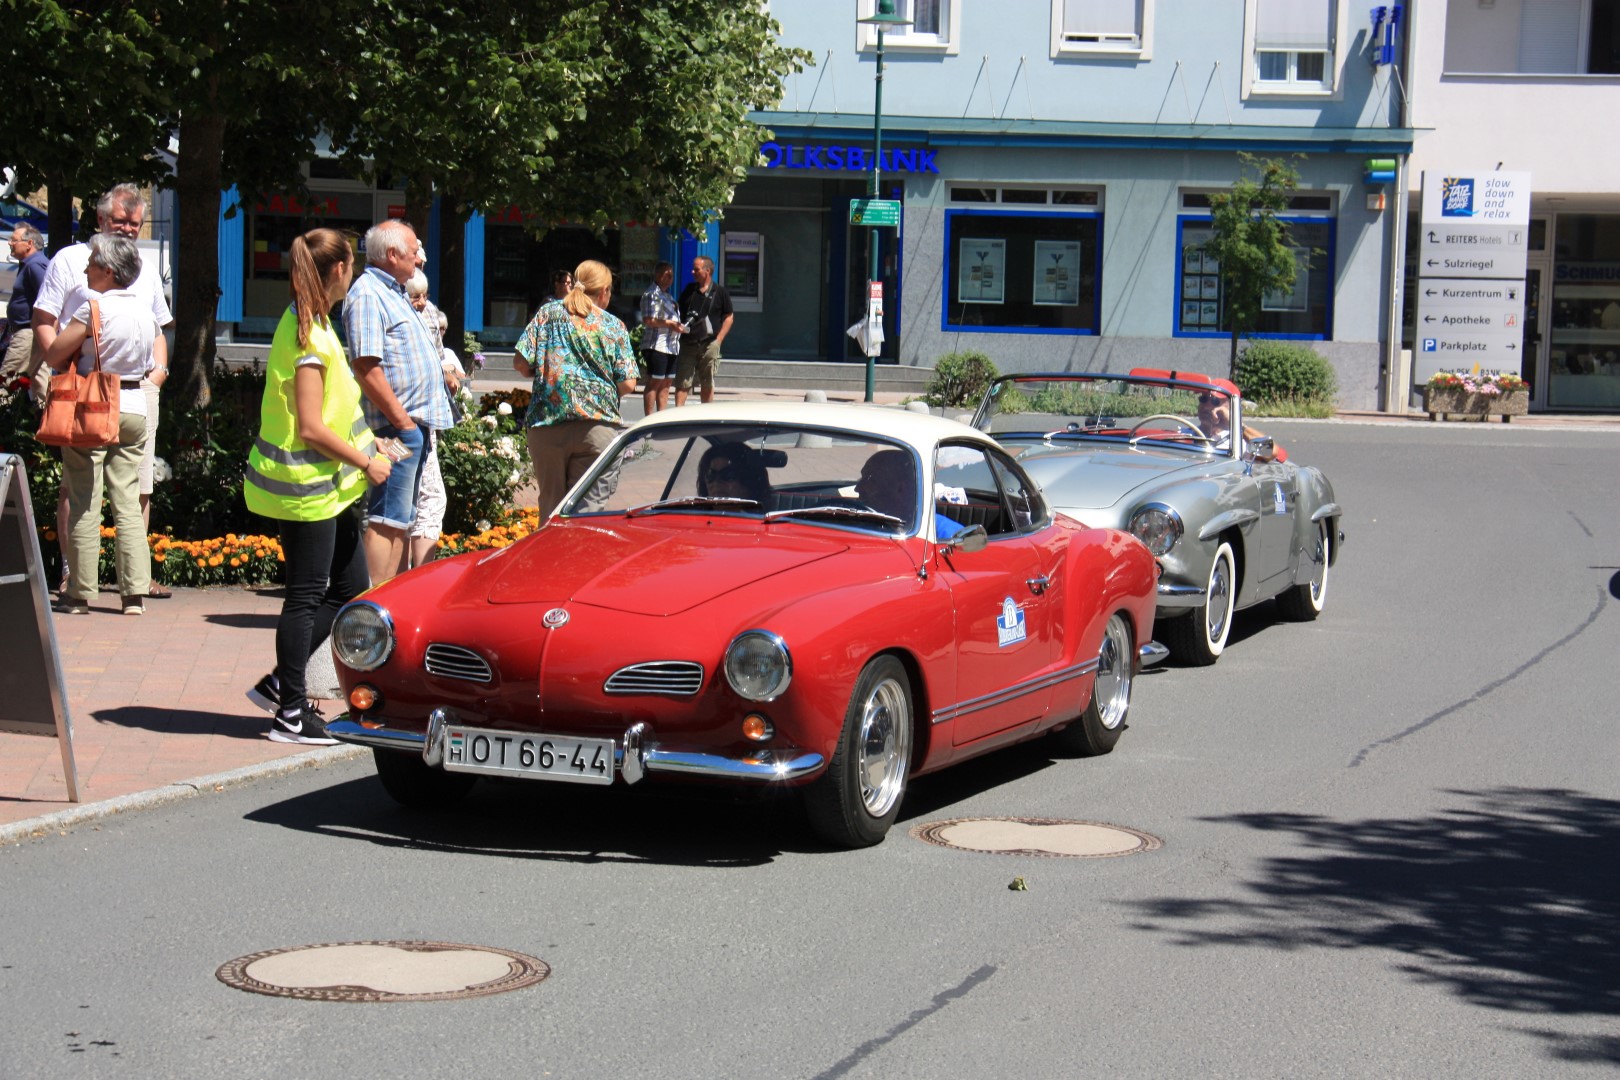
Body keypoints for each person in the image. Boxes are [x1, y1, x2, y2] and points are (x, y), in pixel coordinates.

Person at [244, 227, 392, 745]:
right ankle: (289, 713)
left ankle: (284, 681)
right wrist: (366, 460)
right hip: (304, 488)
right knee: (305, 598)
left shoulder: (318, 324)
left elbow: (337, 410)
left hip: (329, 486)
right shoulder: (307, 335)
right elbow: (310, 426)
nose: (351, 273)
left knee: (349, 591)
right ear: (337, 270)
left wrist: (372, 448)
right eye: (349, 264)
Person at [32, 184, 174, 597]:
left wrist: (157, 376)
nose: (129, 229)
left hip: (115, 392)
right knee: (114, 498)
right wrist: (58, 368)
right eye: (121, 222)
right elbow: (45, 317)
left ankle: (86, 588)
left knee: (102, 495)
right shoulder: (72, 262)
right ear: (100, 220)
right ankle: (118, 589)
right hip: (104, 392)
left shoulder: (116, 285)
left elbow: (157, 331)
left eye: (135, 223)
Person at [344, 219, 455, 586]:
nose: (419, 257)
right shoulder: (368, 294)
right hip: (394, 426)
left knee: (402, 518)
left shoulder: (393, 291)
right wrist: (405, 425)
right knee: (387, 517)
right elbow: (366, 366)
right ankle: (370, 606)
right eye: (413, 251)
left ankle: (386, 599)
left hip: (409, 426)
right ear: (392, 255)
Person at [512, 259, 638, 515]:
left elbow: (521, 363)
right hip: (597, 426)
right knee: (588, 512)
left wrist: (548, 372)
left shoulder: (547, 314)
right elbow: (628, 383)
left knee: (551, 507)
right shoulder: (613, 325)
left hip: (548, 423)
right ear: (604, 291)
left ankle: (551, 555)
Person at [855, 448, 964, 539]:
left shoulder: (946, 533)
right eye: (863, 478)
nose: (857, 488)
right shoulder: (855, 522)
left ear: (900, 488)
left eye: (871, 480)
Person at [674, 255, 734, 406]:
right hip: (688, 343)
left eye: (696, 269)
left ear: (707, 271)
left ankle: (705, 414)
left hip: (709, 344)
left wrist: (719, 340)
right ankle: (678, 416)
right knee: (683, 381)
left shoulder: (720, 292)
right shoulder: (689, 290)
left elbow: (729, 317)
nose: (692, 272)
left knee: (707, 382)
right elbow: (678, 312)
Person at [1, 223, 50, 398]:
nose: (9, 243)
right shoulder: (29, 264)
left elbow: (46, 298)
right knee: (40, 383)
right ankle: (44, 420)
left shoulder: (35, 265)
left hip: (28, 334)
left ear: (29, 243)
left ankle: (5, 421)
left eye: (14, 240)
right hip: (32, 332)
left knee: (7, 381)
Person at [638, 262, 682, 414]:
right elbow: (648, 319)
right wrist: (670, 324)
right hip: (657, 345)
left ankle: (661, 417)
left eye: (671, 275)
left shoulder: (668, 296)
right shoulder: (651, 294)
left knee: (667, 383)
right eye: (667, 275)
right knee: (655, 381)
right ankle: (649, 418)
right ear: (658, 275)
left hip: (671, 346)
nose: (670, 278)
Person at [695, 443, 769, 506]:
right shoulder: (696, 517)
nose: (716, 483)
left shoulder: (764, 520)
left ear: (749, 482)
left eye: (727, 475)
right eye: (710, 476)